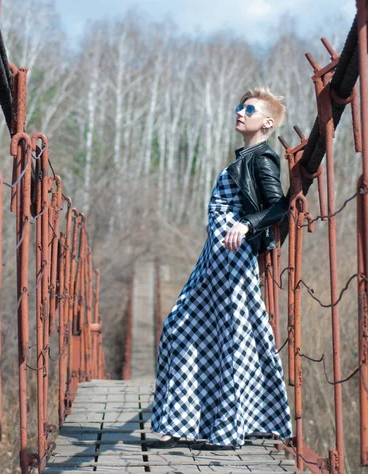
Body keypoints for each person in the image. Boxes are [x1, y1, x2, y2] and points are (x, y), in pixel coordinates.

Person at [149, 86, 293, 450]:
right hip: (211, 259)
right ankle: (184, 420)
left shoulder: (263, 158)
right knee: (180, 327)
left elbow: (279, 206)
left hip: (232, 258)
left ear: (267, 122)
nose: (240, 112)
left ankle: (228, 427)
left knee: (233, 338)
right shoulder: (242, 159)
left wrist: (246, 225)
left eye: (249, 109)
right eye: (239, 106)